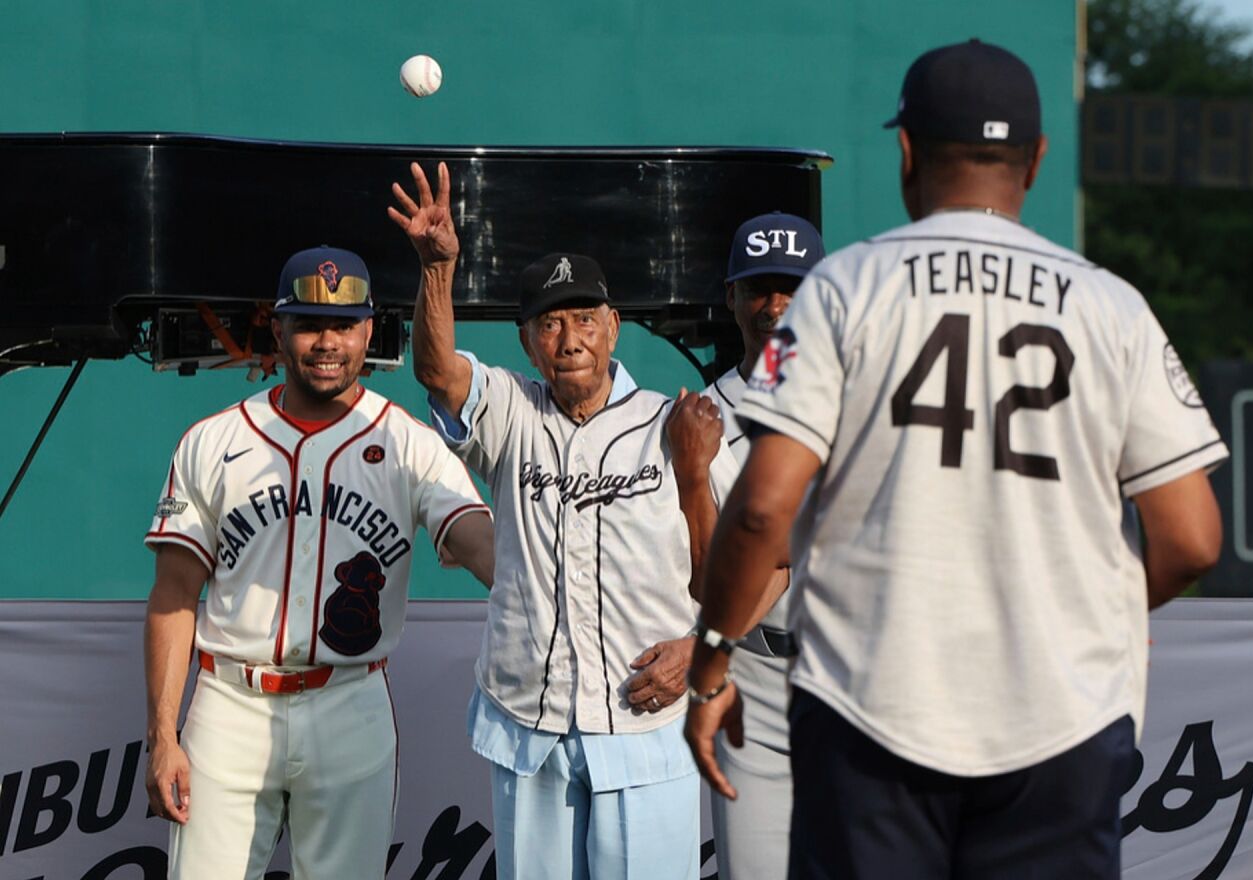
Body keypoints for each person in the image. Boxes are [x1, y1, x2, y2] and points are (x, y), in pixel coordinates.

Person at [685, 39, 1227, 879]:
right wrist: (1102, 612)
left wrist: (713, 657)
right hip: (1058, 715)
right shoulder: (1110, 305)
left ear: (906, 152)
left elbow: (760, 510)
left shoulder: (841, 290)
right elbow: (1191, 537)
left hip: (873, 710)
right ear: (1038, 159)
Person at [391, 161, 737, 879]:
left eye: (585, 317)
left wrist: (702, 648)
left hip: (643, 721)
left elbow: (744, 566)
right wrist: (436, 270)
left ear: (614, 327)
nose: (569, 336)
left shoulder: (677, 423)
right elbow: (438, 372)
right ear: (525, 341)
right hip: (530, 725)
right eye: (549, 322)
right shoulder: (512, 412)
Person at [142, 246, 495, 880]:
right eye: (308, 323)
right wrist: (163, 736)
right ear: (277, 328)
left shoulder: (408, 442)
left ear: (369, 329)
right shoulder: (214, 440)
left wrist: (539, 578)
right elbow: (173, 596)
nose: (326, 341)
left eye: (343, 324)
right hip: (229, 702)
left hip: (349, 702)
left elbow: (476, 539)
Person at [702, 211, 823, 880]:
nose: (773, 306)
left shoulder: (860, 401)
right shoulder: (702, 419)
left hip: (848, 675)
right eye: (758, 289)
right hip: (752, 672)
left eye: (790, 288)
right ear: (731, 298)